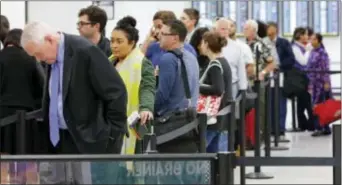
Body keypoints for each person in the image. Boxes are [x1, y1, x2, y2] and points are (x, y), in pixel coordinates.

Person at [21, 21, 128, 154]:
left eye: (38, 54)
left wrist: (112, 134)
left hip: (89, 141)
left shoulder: (84, 51)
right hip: (61, 139)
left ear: (50, 40)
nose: (38, 59)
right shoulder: (52, 57)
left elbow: (116, 92)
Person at [154, 19, 200, 184]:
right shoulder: (190, 57)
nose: (159, 36)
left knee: (169, 174)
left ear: (174, 38)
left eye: (163, 34)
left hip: (170, 124)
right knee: (188, 173)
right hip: (190, 120)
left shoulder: (168, 59)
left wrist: (145, 109)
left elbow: (161, 96)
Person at [0, 29, 44, 154]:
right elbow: (42, 86)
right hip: (26, 116)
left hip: (2, 115)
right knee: (25, 156)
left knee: (3, 156)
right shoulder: (30, 59)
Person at [199, 30, 232, 152]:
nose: (200, 46)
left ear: (207, 44)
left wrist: (197, 87)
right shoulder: (223, 61)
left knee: (203, 149)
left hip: (213, 115)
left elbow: (218, 89)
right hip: (220, 113)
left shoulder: (215, 65)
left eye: (202, 43)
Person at [265, 22, 295, 138]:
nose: (271, 34)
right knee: (270, 103)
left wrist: (279, 65)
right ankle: (270, 127)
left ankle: (280, 127)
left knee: (280, 103)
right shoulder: (264, 42)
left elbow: (291, 59)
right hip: (267, 77)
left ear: (276, 30)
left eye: (273, 31)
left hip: (281, 77)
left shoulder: (283, 42)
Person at [306, 33, 332, 136]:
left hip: (321, 83)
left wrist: (326, 82)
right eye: (310, 39)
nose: (311, 41)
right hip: (314, 83)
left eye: (313, 39)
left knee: (321, 105)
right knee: (316, 105)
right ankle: (320, 127)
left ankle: (323, 127)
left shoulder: (322, 53)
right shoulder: (313, 52)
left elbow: (325, 68)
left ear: (318, 41)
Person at [215, 18, 247, 98]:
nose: (225, 31)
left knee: (231, 108)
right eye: (222, 29)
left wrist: (242, 88)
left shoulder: (236, 47)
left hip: (232, 85)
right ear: (216, 29)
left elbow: (241, 69)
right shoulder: (211, 44)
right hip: (215, 86)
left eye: (227, 29)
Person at [292, 27, 315, 131]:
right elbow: (303, 61)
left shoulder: (302, 47)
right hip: (299, 78)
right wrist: (308, 50)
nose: (307, 37)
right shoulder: (295, 47)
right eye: (305, 34)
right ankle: (309, 124)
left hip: (304, 78)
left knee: (303, 102)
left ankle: (305, 124)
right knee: (305, 101)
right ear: (299, 36)